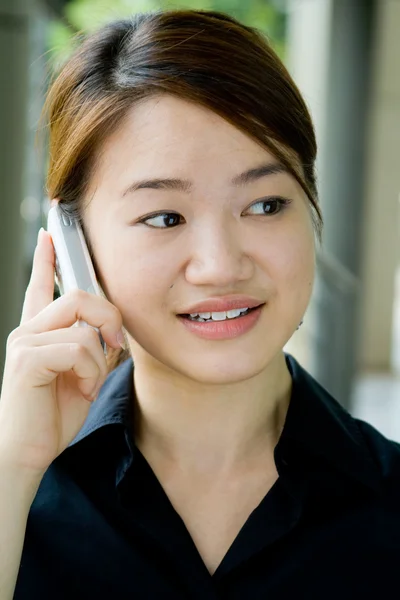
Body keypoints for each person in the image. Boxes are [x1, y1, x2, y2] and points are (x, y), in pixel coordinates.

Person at [0, 8, 399, 600]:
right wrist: (14, 471)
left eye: (265, 204)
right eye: (164, 217)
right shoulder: (22, 485)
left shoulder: (388, 498)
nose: (220, 265)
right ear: (71, 242)